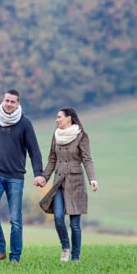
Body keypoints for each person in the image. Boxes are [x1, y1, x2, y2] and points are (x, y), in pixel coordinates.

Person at [0, 89, 43, 266]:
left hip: (15, 177)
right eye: (6, 100)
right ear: (3, 100)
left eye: (12, 101)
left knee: (15, 218)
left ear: (18, 104)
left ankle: (15, 257)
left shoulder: (25, 123)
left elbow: (34, 151)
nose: (8, 104)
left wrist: (38, 173)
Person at [36, 107, 98, 263]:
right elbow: (52, 160)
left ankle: (75, 257)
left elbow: (87, 159)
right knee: (58, 218)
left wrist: (92, 179)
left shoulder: (81, 136)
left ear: (68, 118)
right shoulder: (56, 135)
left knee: (75, 224)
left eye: (59, 117)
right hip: (58, 182)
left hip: (75, 182)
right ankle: (65, 248)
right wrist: (44, 177)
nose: (56, 119)